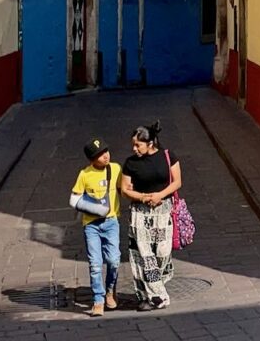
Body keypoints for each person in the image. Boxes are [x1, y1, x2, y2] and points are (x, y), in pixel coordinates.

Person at [120, 121, 182, 311]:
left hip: (164, 213)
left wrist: (159, 196)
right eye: (133, 145)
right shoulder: (131, 163)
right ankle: (153, 297)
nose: (134, 148)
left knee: (162, 254)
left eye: (138, 144)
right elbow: (124, 190)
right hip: (140, 214)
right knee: (143, 257)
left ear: (150, 143)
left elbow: (177, 182)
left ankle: (155, 289)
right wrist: (144, 197)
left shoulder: (167, 156)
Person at [69, 138, 121, 317]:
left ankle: (110, 290)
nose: (105, 155)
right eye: (100, 154)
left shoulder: (115, 169)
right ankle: (98, 300)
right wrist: (93, 208)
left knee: (114, 260)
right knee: (95, 264)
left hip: (111, 222)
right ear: (92, 159)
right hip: (91, 225)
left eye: (106, 151)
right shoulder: (84, 174)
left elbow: (125, 187)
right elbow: (74, 199)